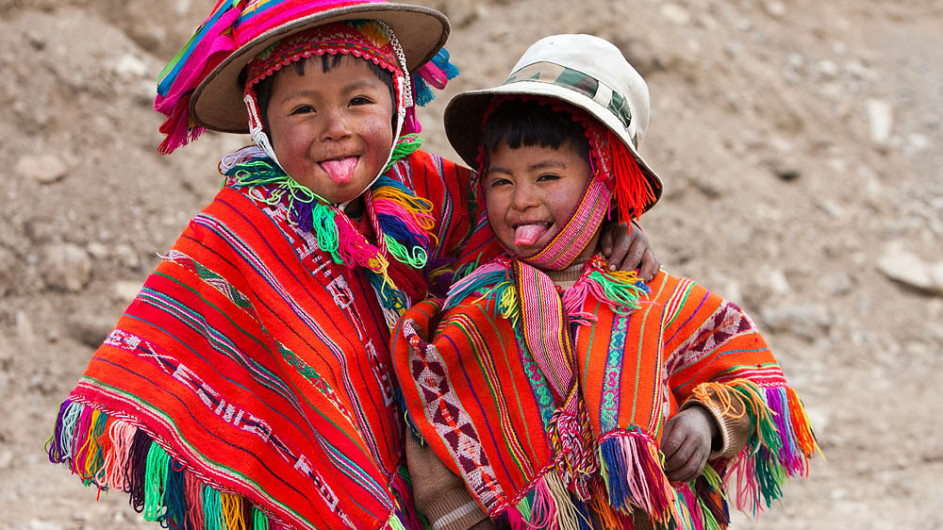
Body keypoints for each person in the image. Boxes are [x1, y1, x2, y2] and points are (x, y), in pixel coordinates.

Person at [44, 4, 658, 530]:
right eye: (303, 110)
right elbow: (161, 360)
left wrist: (606, 232)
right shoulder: (235, 237)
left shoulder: (423, 193)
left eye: (360, 100)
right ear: (261, 122)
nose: (335, 130)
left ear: (397, 102)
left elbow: (530, 225)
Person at [393, 34, 819, 530]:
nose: (520, 199)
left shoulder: (653, 300)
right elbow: (433, 425)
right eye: (501, 180)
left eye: (547, 177)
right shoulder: (474, 311)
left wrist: (706, 423)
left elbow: (755, 382)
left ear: (605, 180)